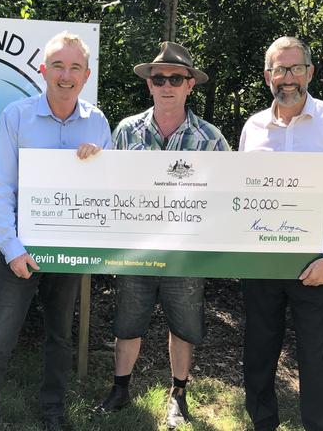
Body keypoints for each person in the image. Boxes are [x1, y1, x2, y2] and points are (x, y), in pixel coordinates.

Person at [0, 31, 112, 431]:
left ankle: (53, 414)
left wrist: (100, 162)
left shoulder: (97, 123)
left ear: (86, 74)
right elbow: (1, 188)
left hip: (68, 252)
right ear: (44, 71)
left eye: (75, 67)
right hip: (20, 250)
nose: (66, 75)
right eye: (59, 66)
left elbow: (109, 194)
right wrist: (12, 249)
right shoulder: (17, 116)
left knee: (60, 338)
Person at [238, 36, 323, 431]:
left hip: (318, 264)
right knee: (258, 353)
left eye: (296, 68)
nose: (288, 78)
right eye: (280, 69)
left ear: (310, 72)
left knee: (315, 356)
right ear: (267, 76)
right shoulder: (253, 127)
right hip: (261, 264)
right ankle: (263, 423)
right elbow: (241, 193)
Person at [100, 41, 230, 429]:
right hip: (136, 251)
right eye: (159, 78)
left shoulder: (211, 138)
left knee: (184, 325)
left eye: (176, 78)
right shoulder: (125, 131)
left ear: (191, 84)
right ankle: (120, 388)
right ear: (149, 85)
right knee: (127, 321)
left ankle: (179, 394)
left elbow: (227, 196)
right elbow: (106, 186)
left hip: (186, 254)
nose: (167, 85)